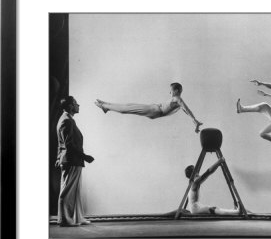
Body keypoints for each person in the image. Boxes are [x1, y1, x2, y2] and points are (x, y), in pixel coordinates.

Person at [95, 83, 203, 133]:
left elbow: (187, 109)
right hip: (154, 109)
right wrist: (194, 121)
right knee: (128, 106)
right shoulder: (177, 101)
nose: (169, 92)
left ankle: (105, 106)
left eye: (171, 90)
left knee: (127, 109)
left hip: (154, 110)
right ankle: (106, 104)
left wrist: (194, 120)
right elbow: (186, 111)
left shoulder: (177, 99)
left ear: (176, 91)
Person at [55, 96, 95, 227]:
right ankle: (65, 220)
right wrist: (85, 156)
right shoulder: (67, 121)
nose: (78, 105)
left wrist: (57, 158)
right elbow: (69, 145)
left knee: (75, 190)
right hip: (71, 160)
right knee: (67, 191)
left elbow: (60, 144)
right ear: (71, 106)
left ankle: (78, 217)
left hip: (72, 160)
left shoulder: (67, 120)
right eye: (76, 103)